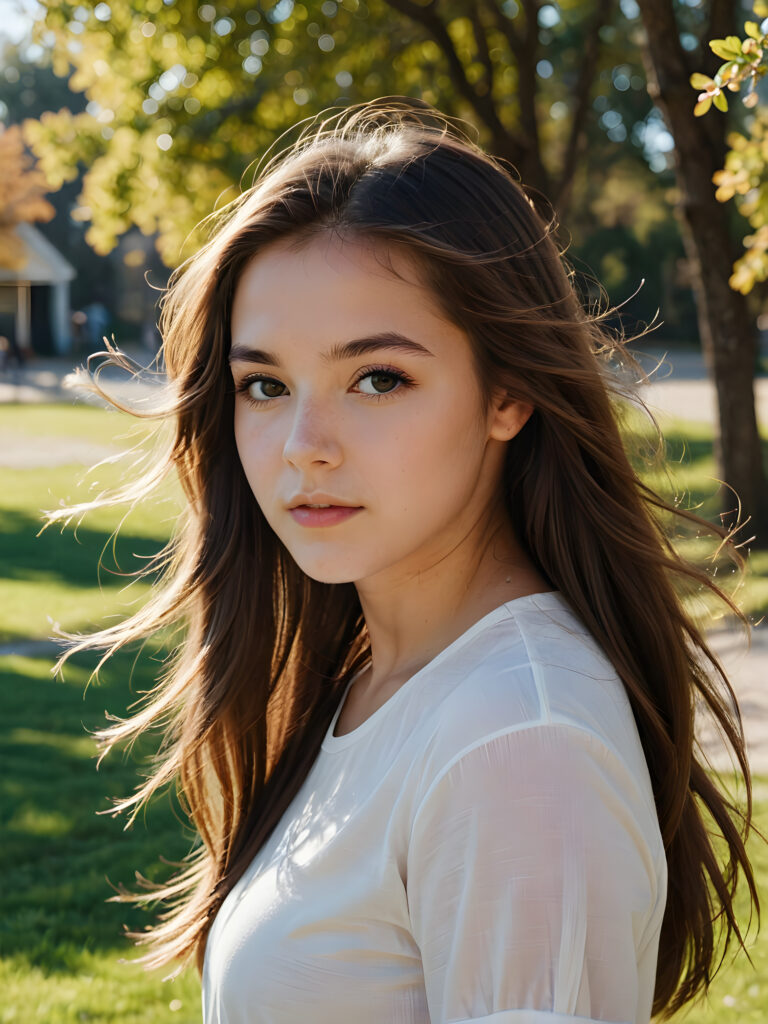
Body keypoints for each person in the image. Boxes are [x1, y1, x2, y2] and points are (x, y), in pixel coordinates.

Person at [51, 98, 760, 1024]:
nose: (304, 444)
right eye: (264, 385)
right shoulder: (373, 681)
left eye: (378, 378)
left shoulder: (518, 742)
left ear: (507, 392)